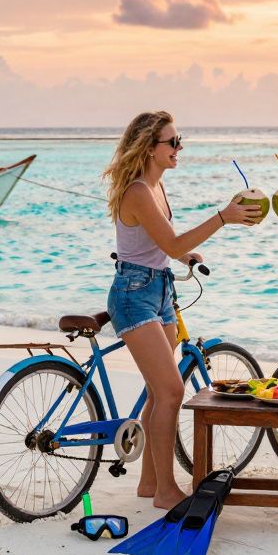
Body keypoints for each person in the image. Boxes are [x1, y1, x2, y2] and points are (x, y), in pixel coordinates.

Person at [102, 111, 260, 509]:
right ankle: (167, 491)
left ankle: (149, 483)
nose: (178, 148)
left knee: (160, 391)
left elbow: (162, 244)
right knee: (172, 391)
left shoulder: (157, 186)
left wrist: (184, 254)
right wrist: (223, 218)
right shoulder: (138, 190)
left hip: (159, 288)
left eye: (179, 140)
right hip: (133, 294)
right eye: (171, 142)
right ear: (148, 148)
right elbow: (169, 244)